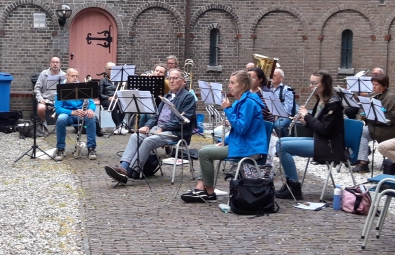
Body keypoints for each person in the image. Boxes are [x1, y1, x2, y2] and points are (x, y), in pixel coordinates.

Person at [182, 70, 266, 202]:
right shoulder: (241, 101)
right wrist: (226, 141)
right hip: (241, 143)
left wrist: (227, 109)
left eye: (232, 83)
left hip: (249, 148)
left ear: (242, 86)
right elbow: (239, 128)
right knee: (208, 148)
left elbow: (242, 128)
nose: (229, 86)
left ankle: (209, 192)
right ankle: (200, 188)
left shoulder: (248, 103)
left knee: (204, 153)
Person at [104, 68, 196, 184]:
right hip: (158, 129)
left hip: (176, 132)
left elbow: (183, 120)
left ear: (182, 81)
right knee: (135, 136)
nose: (171, 81)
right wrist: (147, 126)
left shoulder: (188, 97)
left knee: (149, 141)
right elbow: (155, 116)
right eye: (170, 78)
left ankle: (129, 171)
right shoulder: (166, 96)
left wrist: (163, 128)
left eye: (175, 78)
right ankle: (124, 167)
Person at [275, 71, 345, 200]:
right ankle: (290, 182)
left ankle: (294, 186)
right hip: (320, 140)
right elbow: (317, 124)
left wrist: (307, 116)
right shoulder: (321, 100)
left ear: (325, 84)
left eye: (315, 83)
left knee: (282, 146)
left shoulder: (334, 104)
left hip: (329, 145)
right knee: (281, 140)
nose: (311, 86)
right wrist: (305, 121)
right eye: (311, 82)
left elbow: (324, 129)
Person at [351, 74, 395, 173]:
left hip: (389, 130)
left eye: (376, 84)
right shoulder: (373, 96)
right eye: (372, 84)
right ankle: (362, 159)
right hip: (376, 126)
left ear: (384, 85)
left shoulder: (391, 97)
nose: (373, 86)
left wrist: (371, 117)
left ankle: (363, 161)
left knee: (363, 132)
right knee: (360, 131)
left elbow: (392, 118)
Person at [53, 68, 98, 160]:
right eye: (72, 76)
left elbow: (91, 102)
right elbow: (58, 108)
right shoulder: (61, 88)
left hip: (82, 114)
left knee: (91, 117)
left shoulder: (83, 87)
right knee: (61, 119)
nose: (75, 78)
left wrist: (90, 109)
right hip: (68, 114)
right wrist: (72, 112)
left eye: (76, 76)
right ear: (67, 76)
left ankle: (91, 148)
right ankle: (60, 148)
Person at [35, 56, 66, 122]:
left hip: (59, 101)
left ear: (60, 64)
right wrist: (40, 99)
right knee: (40, 108)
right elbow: (37, 88)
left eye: (57, 62)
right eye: (53, 62)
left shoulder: (64, 75)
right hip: (46, 100)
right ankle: (43, 122)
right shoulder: (43, 74)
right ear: (50, 64)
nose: (55, 64)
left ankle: (60, 125)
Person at [267, 68, 295, 137]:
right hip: (268, 114)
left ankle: (283, 143)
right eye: (272, 75)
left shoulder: (287, 90)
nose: (272, 77)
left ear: (282, 78)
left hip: (283, 116)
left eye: (275, 75)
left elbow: (288, 109)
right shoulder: (267, 88)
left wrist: (276, 114)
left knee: (278, 126)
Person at [98, 62, 124, 133]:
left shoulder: (118, 80)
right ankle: (118, 126)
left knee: (124, 106)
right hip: (105, 100)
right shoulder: (103, 80)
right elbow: (99, 94)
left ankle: (118, 127)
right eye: (111, 69)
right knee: (113, 105)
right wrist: (108, 97)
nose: (113, 71)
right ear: (106, 70)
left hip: (115, 99)